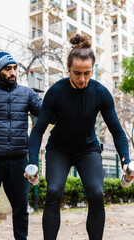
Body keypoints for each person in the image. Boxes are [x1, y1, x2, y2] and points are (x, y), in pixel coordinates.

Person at [24, 34, 132, 240]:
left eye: (87, 73)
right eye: (76, 73)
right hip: (59, 150)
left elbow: (117, 130)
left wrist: (125, 160)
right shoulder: (55, 92)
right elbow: (38, 130)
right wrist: (32, 163)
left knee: (96, 194)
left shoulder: (100, 93)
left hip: (88, 150)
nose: (82, 79)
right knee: (54, 191)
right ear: (68, 67)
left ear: (93, 69)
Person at [0, 51, 42, 240]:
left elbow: (46, 114)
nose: (13, 72)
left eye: (14, 68)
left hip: (19, 160)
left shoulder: (27, 93)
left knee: (21, 211)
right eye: (8, 68)